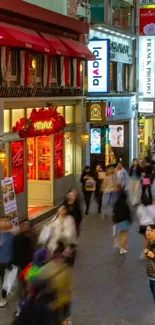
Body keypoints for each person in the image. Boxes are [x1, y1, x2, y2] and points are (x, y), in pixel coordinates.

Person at [0, 218, 15, 307]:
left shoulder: (11, 236)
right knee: (5, 280)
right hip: (7, 261)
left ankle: (3, 297)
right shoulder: (11, 236)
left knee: (5, 280)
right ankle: (3, 297)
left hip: (6, 261)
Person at [113, 186, 132, 254]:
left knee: (121, 234)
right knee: (125, 235)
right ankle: (123, 248)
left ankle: (121, 246)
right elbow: (127, 213)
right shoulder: (125, 203)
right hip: (124, 220)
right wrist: (130, 220)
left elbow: (114, 211)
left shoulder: (117, 202)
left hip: (118, 220)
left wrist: (115, 220)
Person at [137, 195, 155, 259]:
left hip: (143, 225)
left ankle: (146, 251)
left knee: (145, 239)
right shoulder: (151, 207)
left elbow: (139, 216)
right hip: (151, 225)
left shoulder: (139, 208)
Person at [144, 225, 155, 303]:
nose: (149, 232)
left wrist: (153, 256)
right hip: (151, 275)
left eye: (151, 230)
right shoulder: (150, 243)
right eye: (147, 230)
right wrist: (147, 253)